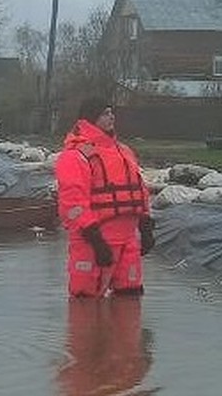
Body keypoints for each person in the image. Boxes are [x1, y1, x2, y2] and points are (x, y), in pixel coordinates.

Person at [55, 95, 154, 298]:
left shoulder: (124, 151)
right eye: (105, 113)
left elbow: (139, 189)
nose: (111, 117)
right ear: (91, 118)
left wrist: (145, 226)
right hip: (93, 239)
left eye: (111, 112)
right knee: (86, 301)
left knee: (131, 297)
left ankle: (123, 330)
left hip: (128, 239)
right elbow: (73, 204)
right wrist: (96, 240)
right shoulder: (75, 156)